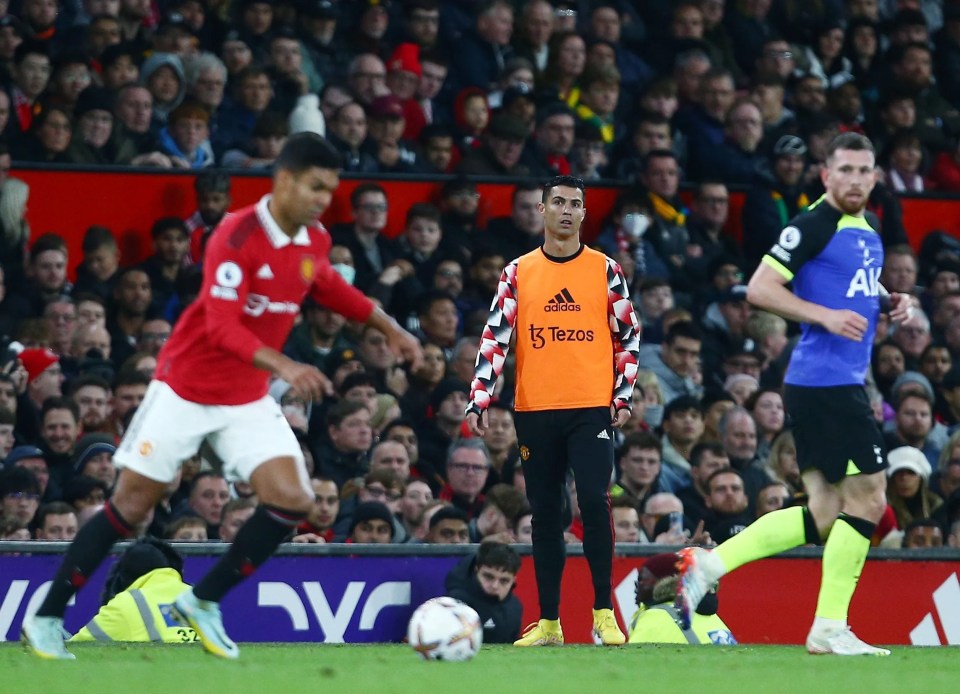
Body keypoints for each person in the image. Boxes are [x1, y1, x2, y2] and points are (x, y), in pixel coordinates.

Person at [22, 133, 423, 661]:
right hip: (184, 388)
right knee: (132, 506)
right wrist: (283, 364)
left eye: (331, 189)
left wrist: (390, 327)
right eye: (315, 186)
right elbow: (219, 326)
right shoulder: (234, 236)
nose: (324, 198)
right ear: (284, 180)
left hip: (245, 397)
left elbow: (327, 284)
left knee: (295, 500)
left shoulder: (314, 240)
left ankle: (203, 601)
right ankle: (47, 614)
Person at [675, 133, 918, 656]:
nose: (855, 179)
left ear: (875, 177)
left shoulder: (868, 227)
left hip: (834, 383)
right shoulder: (810, 223)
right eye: (845, 170)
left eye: (863, 170)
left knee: (828, 512)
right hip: (825, 382)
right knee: (871, 499)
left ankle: (710, 565)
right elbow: (761, 288)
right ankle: (829, 627)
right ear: (826, 175)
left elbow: (856, 281)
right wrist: (824, 316)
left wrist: (890, 299)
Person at [465, 174, 641, 647]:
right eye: (558, 202)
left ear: (584, 214)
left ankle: (604, 613)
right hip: (535, 406)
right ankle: (549, 623)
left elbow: (627, 336)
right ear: (542, 210)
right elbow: (495, 335)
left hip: (589, 407)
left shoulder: (605, 269)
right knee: (544, 513)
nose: (566, 211)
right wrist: (481, 393)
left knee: (593, 499)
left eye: (575, 204)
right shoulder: (518, 271)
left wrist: (622, 395)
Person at [445, 541, 523, 644]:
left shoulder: (515, 607)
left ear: (513, 580)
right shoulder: (456, 602)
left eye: (504, 581)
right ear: (476, 571)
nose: (495, 586)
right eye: (488, 577)